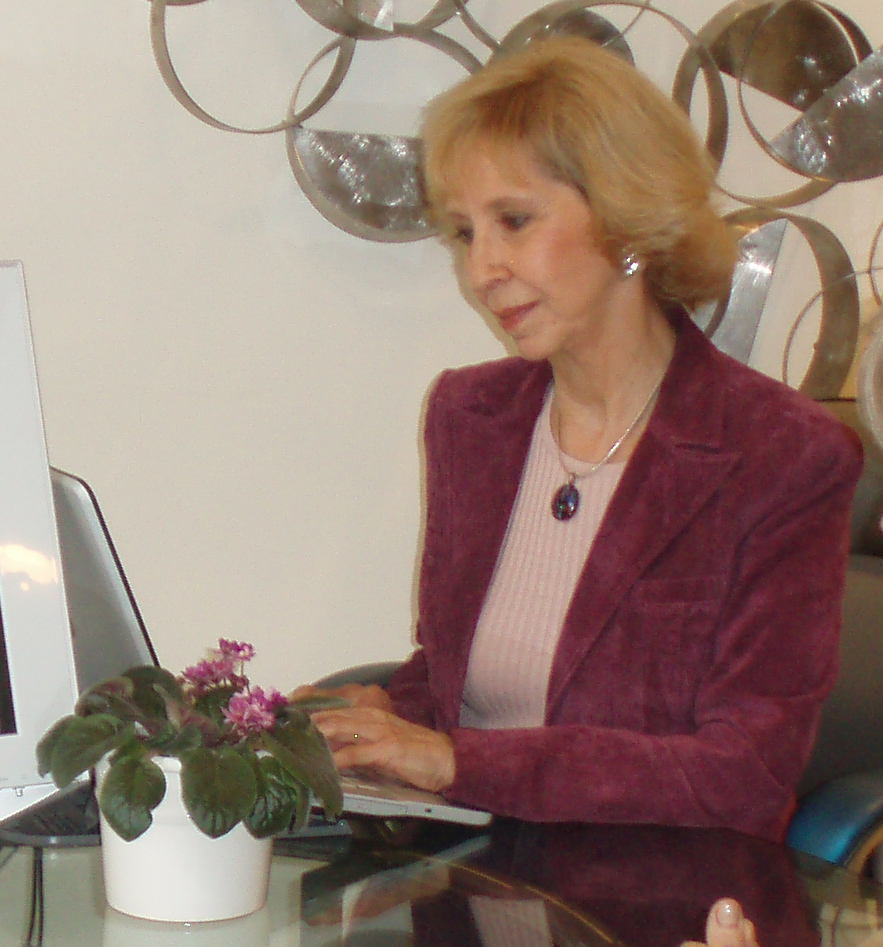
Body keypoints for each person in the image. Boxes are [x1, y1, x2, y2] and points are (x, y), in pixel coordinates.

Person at [303, 36, 862, 842]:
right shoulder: (471, 417)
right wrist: (381, 722)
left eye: (513, 221)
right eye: (464, 233)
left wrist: (455, 760)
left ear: (624, 218)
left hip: (666, 886)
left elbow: (742, 774)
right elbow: (457, 681)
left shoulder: (780, 454)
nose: (482, 270)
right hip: (469, 866)